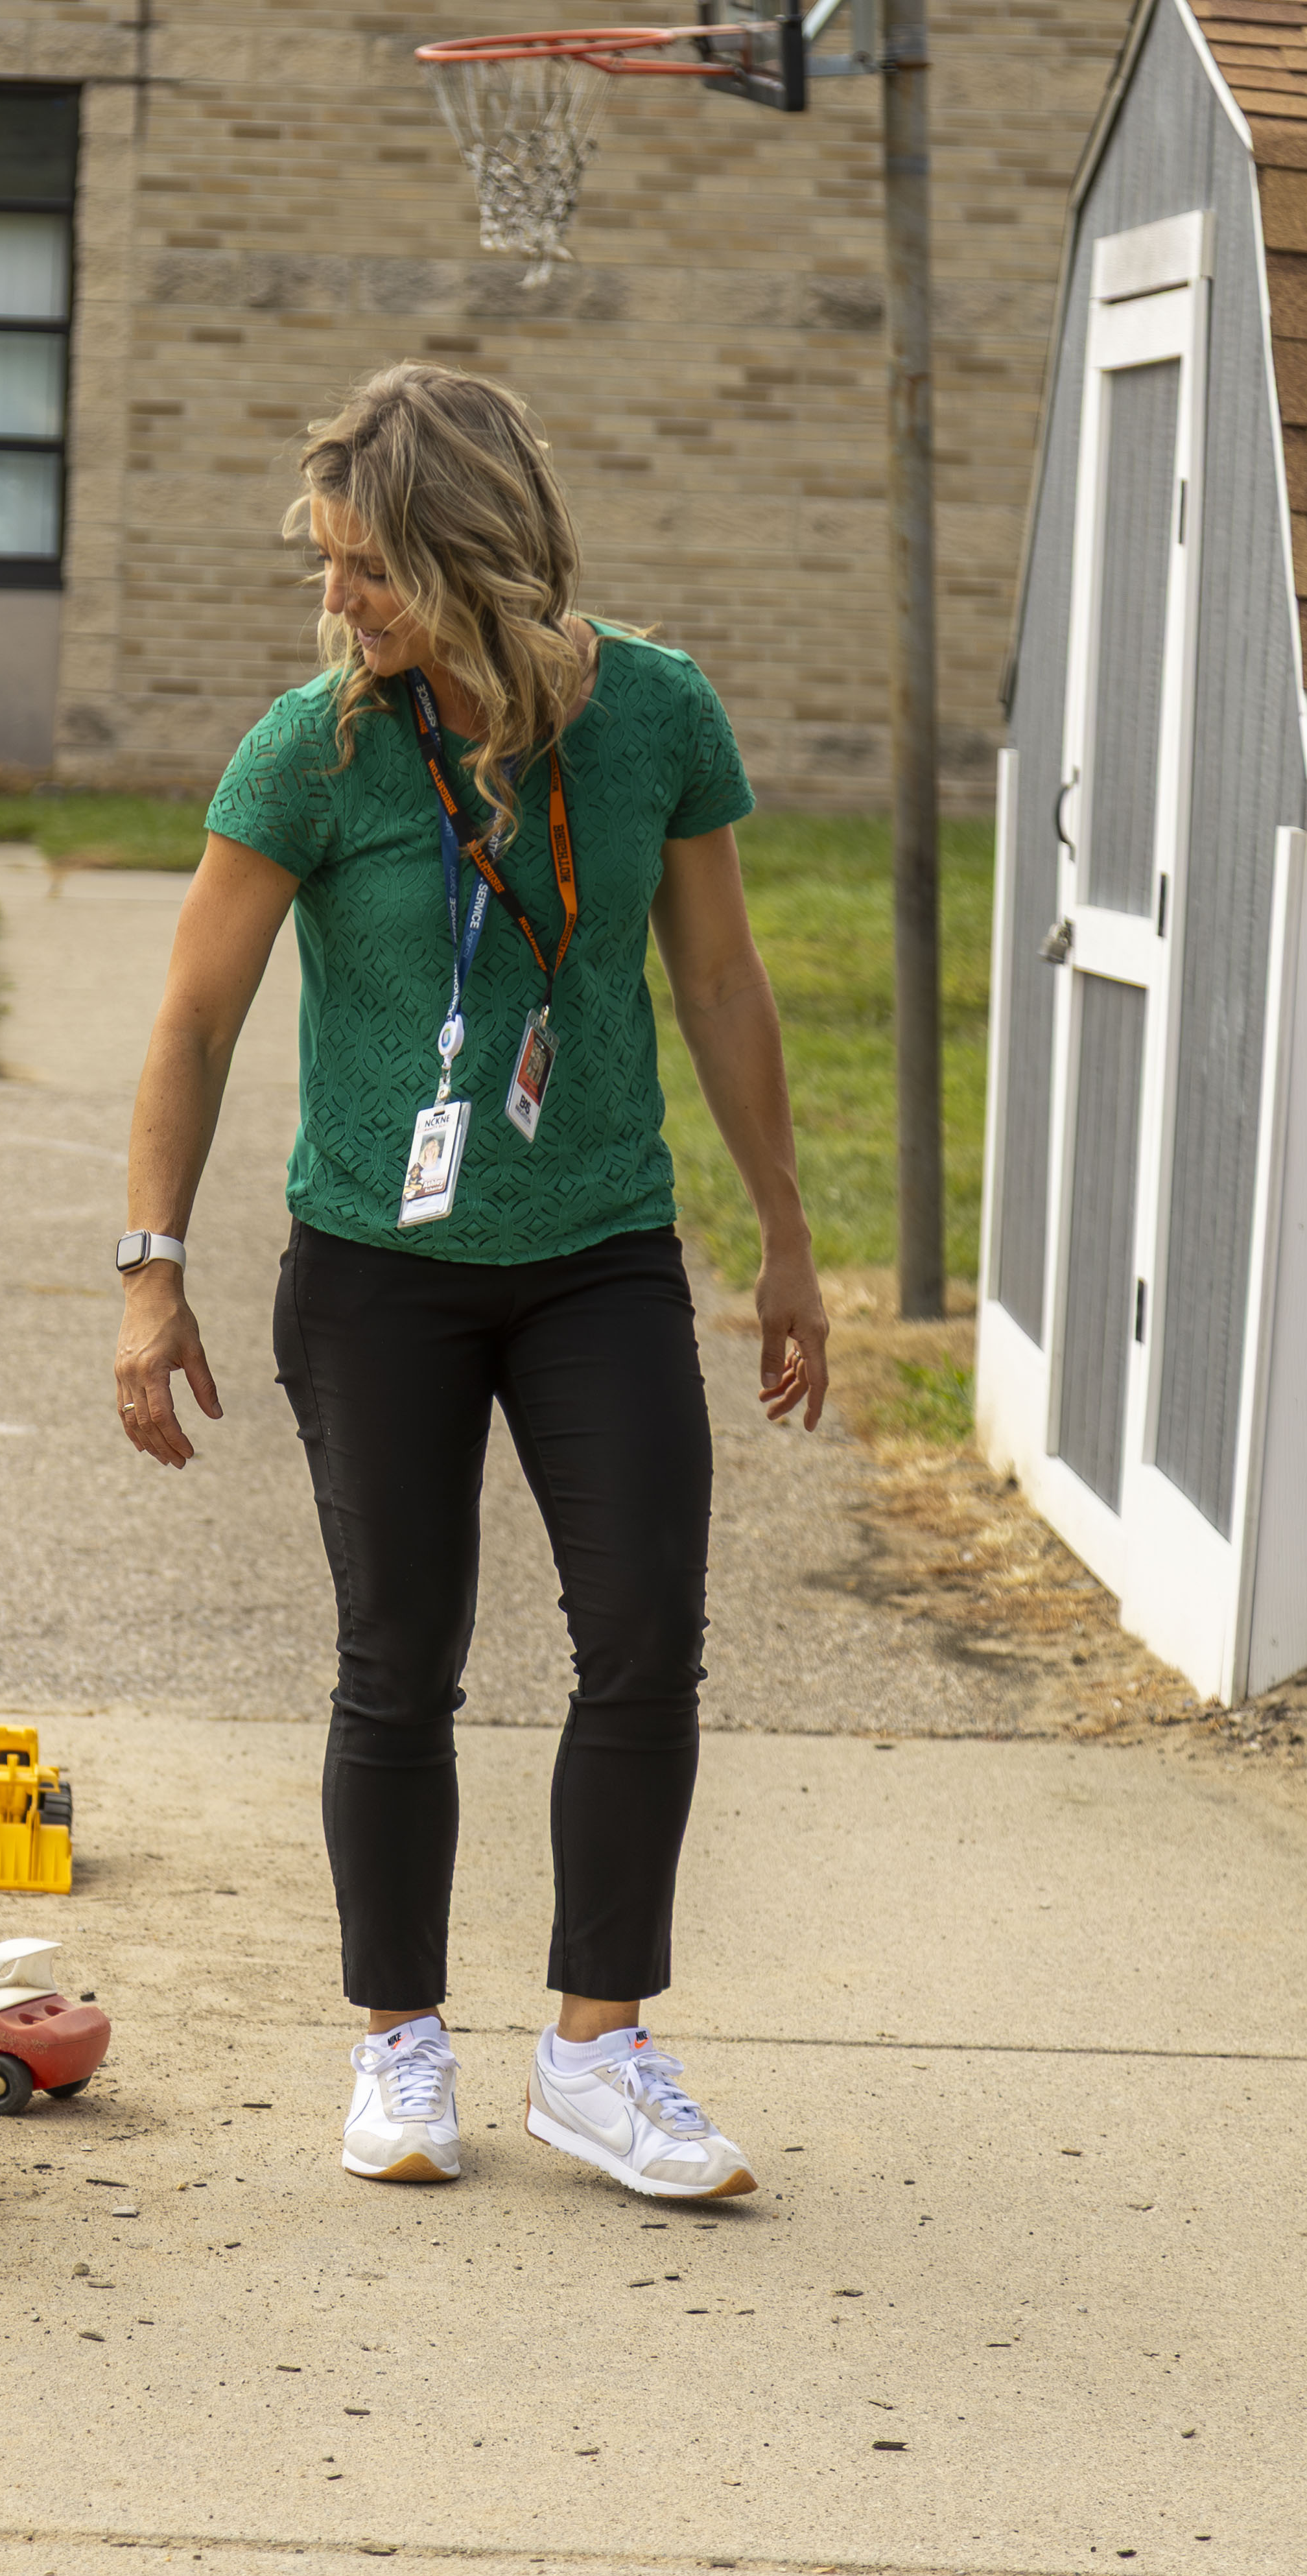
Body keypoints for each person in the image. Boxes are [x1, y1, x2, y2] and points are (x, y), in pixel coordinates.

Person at [112, 363, 830, 2200]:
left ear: (478, 559)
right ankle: (400, 2052)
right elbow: (196, 1018)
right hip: (376, 1268)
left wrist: (789, 1237)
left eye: (369, 570)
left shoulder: (657, 715)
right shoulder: (316, 748)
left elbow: (725, 985)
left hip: (599, 1255)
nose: (336, 605)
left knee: (646, 1640)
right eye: (329, 569)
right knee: (398, 1663)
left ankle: (599, 2055)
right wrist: (153, 1267)